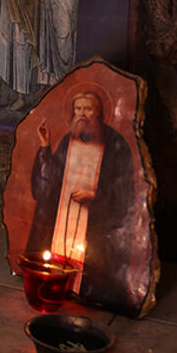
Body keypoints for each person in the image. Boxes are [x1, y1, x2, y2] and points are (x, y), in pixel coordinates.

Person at [25, 91, 134, 308]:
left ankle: (85, 291)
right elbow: (50, 183)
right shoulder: (69, 140)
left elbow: (124, 188)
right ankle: (61, 286)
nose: (82, 114)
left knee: (93, 269)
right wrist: (45, 146)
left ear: (98, 112)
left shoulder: (116, 144)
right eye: (78, 109)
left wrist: (96, 196)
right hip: (65, 216)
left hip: (96, 222)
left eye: (87, 108)